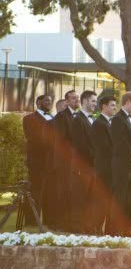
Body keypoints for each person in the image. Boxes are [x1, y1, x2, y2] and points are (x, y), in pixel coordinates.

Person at [110, 92, 131, 235]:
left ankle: (127, 228)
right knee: (120, 198)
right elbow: (120, 142)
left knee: (130, 199)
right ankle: (114, 230)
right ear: (128, 102)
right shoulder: (117, 119)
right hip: (122, 165)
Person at [49, 89, 80, 229]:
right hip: (64, 161)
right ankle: (60, 223)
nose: (77, 101)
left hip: (76, 162)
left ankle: (72, 222)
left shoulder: (79, 116)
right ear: (67, 101)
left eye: (77, 98)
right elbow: (61, 140)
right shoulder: (61, 117)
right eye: (73, 98)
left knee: (73, 192)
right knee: (62, 192)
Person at [21, 94, 54, 227]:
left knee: (48, 192)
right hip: (36, 161)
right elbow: (33, 138)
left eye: (51, 101)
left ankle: (48, 220)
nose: (49, 103)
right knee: (35, 191)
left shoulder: (53, 118)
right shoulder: (29, 118)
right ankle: (32, 221)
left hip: (50, 161)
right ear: (38, 102)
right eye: (46, 100)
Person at [70, 91, 98, 234]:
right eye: (93, 101)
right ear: (85, 101)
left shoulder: (92, 119)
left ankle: (89, 228)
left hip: (93, 166)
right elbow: (80, 145)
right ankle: (78, 230)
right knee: (81, 198)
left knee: (92, 199)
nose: (95, 104)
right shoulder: (77, 119)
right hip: (83, 166)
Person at [90, 96, 116, 236]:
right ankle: (96, 228)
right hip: (104, 167)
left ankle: (104, 229)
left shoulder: (109, 123)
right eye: (112, 105)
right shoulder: (99, 124)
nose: (114, 108)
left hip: (111, 168)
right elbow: (103, 147)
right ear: (104, 106)